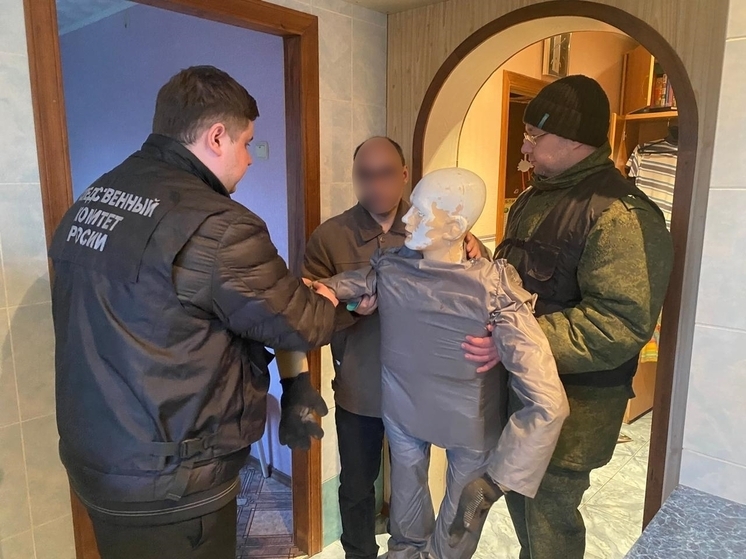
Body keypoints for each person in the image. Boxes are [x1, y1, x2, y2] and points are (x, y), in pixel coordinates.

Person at [48, 66, 339, 559]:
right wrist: (325, 300)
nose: (249, 159)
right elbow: (302, 321)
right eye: (246, 143)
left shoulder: (96, 197)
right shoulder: (221, 226)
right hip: (173, 482)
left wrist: (295, 384)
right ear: (216, 137)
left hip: (100, 463)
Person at [456, 75, 674, 559]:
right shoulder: (536, 197)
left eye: (535, 135)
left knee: (549, 526)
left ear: (575, 140)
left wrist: (510, 342)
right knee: (526, 519)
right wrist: (480, 259)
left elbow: (617, 325)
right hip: (524, 395)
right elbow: (523, 288)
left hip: (575, 412)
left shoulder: (621, 215)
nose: (525, 146)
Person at [316, 167, 569, 559]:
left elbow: (549, 402)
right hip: (408, 413)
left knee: (453, 533)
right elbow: (349, 285)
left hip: (464, 421)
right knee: (414, 530)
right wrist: (319, 293)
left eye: (420, 211)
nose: (405, 218)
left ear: (455, 226)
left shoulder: (494, 287)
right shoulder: (392, 267)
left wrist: (499, 479)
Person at [292, 137, 484, 559]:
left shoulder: (432, 227)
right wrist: (351, 311)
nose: (375, 185)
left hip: (420, 390)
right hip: (361, 388)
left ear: (404, 175)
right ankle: (358, 553)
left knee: (413, 485)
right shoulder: (331, 237)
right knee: (356, 485)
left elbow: (472, 292)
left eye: (385, 174)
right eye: (364, 175)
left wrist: (472, 247)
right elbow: (305, 313)